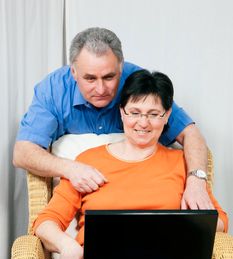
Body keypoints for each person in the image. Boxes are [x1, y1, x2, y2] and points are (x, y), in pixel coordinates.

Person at [33, 69, 228, 259]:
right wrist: (66, 245)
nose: (142, 123)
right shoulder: (89, 162)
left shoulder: (181, 164)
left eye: (153, 114)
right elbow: (45, 221)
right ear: (122, 112)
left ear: (167, 116)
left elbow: (219, 221)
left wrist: (189, 222)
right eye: (135, 112)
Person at [13, 27, 213, 209]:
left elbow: (190, 133)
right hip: (85, 193)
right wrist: (70, 168)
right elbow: (22, 152)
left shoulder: (138, 82)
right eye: (90, 78)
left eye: (109, 77)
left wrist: (196, 181)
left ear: (121, 68)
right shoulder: (54, 89)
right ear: (73, 71)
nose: (101, 89)